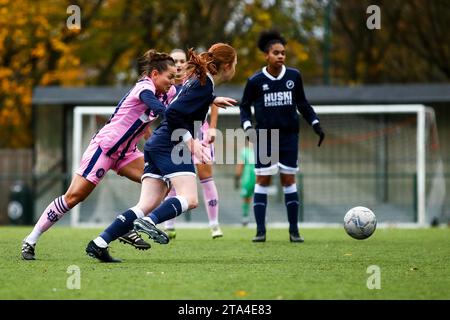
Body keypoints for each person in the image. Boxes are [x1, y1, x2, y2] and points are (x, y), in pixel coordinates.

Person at [85, 43, 237, 262]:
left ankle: (99, 243)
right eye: (236, 64)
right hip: (171, 144)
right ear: (228, 66)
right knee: (190, 199)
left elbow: (181, 101)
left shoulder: (202, 84)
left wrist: (212, 99)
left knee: (145, 205)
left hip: (157, 143)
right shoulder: (203, 85)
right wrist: (191, 142)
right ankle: (151, 222)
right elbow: (173, 113)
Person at [21, 50, 177, 260]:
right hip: (104, 148)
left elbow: (149, 117)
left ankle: (125, 227)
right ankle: (30, 240)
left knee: (161, 184)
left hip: (127, 153)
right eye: (170, 77)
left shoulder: (169, 91)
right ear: (155, 74)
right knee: (74, 197)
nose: (172, 81)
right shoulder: (145, 86)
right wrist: (173, 117)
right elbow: (154, 106)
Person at [239, 30, 325, 243]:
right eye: (276, 53)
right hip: (266, 137)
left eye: (283, 53)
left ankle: (294, 231)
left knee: (288, 179)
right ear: (266, 55)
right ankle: (260, 231)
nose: (280, 56)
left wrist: (315, 122)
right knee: (263, 179)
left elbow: (302, 103)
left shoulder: (294, 76)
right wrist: (248, 126)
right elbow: (244, 106)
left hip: (288, 136)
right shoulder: (255, 80)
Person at [164, 48, 223, 240]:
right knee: (175, 178)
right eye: (175, 61)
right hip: (180, 135)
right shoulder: (167, 87)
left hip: (200, 131)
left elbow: (214, 102)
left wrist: (212, 128)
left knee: (206, 176)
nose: (179, 64)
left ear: (187, 63)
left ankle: (214, 225)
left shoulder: (197, 81)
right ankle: (169, 225)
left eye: (182, 61)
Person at [234, 137, 256, 226]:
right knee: (246, 198)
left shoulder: (261, 151)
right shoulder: (245, 151)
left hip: (258, 176)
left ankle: (262, 217)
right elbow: (240, 165)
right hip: (248, 177)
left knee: (260, 195)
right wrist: (237, 177)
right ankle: (245, 217)